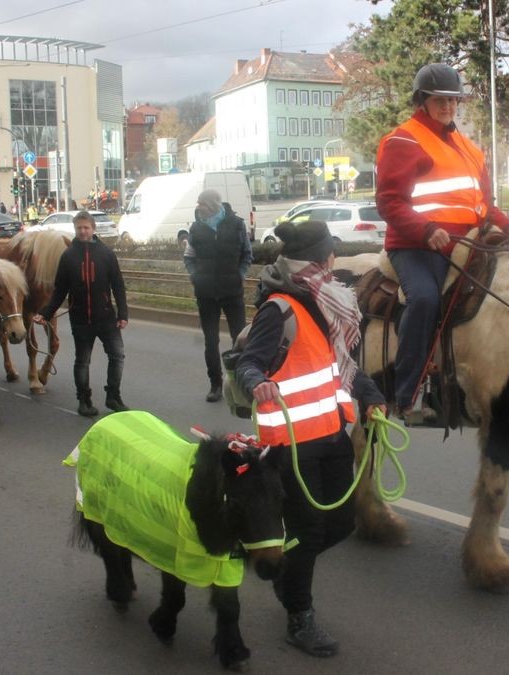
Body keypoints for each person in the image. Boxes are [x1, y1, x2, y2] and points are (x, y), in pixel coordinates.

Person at [235, 220, 386, 658]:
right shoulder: (281, 308)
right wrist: (255, 381)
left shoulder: (329, 302)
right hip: (290, 446)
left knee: (342, 522)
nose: (334, 260)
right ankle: (299, 615)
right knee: (311, 527)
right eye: (330, 253)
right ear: (322, 260)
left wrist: (371, 398)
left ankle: (283, 568)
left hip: (330, 436)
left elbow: (341, 370)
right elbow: (250, 363)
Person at [374, 62, 509, 421]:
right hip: (416, 246)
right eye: (440, 100)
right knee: (424, 299)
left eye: (453, 101)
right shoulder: (403, 140)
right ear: (422, 100)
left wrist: (508, 225)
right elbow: (389, 201)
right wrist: (425, 230)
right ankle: (405, 394)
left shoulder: (468, 147)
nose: (448, 107)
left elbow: (482, 203)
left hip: (465, 243)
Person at [35, 211, 129, 417]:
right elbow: (60, 290)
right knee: (82, 361)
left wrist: (123, 314)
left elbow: (118, 286)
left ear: (93, 228)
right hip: (80, 319)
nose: (83, 231)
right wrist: (46, 312)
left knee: (117, 355)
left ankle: (113, 396)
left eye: (86, 227)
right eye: (79, 228)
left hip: (105, 317)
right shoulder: (68, 256)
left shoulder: (106, 254)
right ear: (75, 229)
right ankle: (84, 400)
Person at [183, 188, 252, 402]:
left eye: (201, 203)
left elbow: (247, 254)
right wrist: (195, 276)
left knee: (239, 339)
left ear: (212, 204)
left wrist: (239, 275)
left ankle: (242, 384)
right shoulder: (196, 228)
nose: (199, 207)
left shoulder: (237, 224)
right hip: (206, 294)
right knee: (210, 341)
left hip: (232, 291)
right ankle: (215, 384)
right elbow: (189, 257)